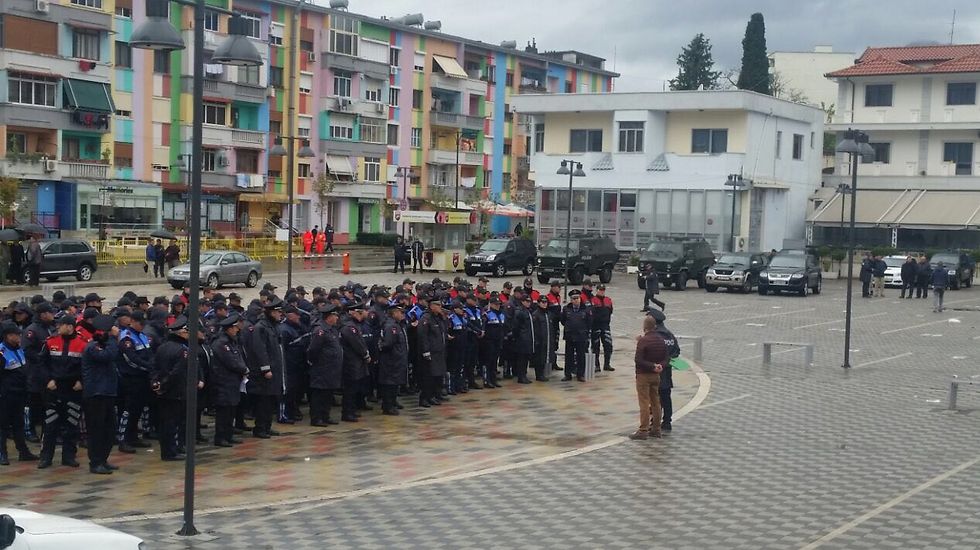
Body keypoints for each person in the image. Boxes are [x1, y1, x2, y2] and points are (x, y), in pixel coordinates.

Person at [37, 315, 86, 469]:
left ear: (70, 326)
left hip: (73, 390)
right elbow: (41, 364)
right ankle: (46, 457)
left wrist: (81, 381)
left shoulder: (82, 344)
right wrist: (47, 380)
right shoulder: (50, 342)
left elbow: (87, 366)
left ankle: (69, 456)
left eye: (62, 325)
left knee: (72, 424)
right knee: (50, 425)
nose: (58, 327)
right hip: (54, 389)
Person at [80, 315, 119, 474]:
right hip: (96, 393)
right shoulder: (93, 347)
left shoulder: (105, 345)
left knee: (109, 430)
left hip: (107, 392)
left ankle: (103, 459)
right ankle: (95, 462)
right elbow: (108, 356)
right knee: (96, 430)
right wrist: (112, 338)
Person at [152, 317, 192, 461]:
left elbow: (155, 367)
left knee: (165, 422)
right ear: (181, 334)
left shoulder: (163, 346)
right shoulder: (182, 350)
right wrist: (165, 384)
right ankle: (171, 451)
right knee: (173, 423)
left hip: (163, 391)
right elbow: (177, 372)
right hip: (175, 391)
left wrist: (157, 384)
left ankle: (167, 450)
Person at [244, 299, 285, 438]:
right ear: (272, 312)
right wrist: (265, 368)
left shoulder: (272, 326)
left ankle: (267, 426)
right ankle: (260, 427)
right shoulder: (260, 327)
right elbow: (259, 350)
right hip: (264, 373)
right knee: (264, 401)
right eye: (279, 312)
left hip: (275, 370)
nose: (281, 314)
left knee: (271, 400)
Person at [0, 322, 38, 465]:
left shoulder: (19, 349)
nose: (19, 337)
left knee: (18, 423)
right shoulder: (2, 351)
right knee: (3, 425)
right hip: (6, 395)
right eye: (17, 335)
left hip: (20, 393)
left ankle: (23, 451)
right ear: (9, 336)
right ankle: (2, 453)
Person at [116, 311, 155, 453]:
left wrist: (152, 366)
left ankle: (133, 437)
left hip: (143, 377)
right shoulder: (126, 337)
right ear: (132, 321)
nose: (142, 326)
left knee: (138, 408)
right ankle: (123, 439)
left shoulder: (142, 336)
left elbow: (149, 354)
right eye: (140, 323)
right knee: (128, 410)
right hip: (131, 378)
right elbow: (131, 359)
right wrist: (148, 367)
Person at [209, 314, 248, 447]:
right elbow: (231, 362)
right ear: (229, 329)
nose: (237, 330)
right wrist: (243, 369)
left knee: (232, 409)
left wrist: (243, 368)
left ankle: (228, 434)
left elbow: (238, 357)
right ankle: (221, 437)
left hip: (232, 381)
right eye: (235, 328)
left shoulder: (232, 341)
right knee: (224, 411)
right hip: (223, 381)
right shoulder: (221, 343)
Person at [629, 316, 667, 441]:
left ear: (645, 327)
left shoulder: (644, 341)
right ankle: (656, 429)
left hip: (643, 375)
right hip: (656, 375)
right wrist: (660, 366)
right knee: (656, 402)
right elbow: (667, 357)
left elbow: (638, 360)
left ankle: (643, 430)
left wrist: (652, 366)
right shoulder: (661, 340)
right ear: (655, 326)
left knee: (644, 402)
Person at [307, 304, 342, 426]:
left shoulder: (332, 329)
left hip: (332, 369)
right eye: (335, 315)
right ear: (329, 317)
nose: (337, 318)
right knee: (319, 394)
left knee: (328, 393)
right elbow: (313, 350)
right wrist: (316, 362)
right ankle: (317, 418)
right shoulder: (320, 330)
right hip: (322, 368)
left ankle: (325, 415)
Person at [648, 309, 680, 432]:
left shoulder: (655, 335)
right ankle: (667, 422)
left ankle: (654, 422)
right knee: (666, 396)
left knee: (655, 398)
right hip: (667, 372)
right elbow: (677, 352)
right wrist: (668, 362)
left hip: (656, 371)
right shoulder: (669, 335)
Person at [339, 302, 371, 421]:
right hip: (351, 362)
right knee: (350, 390)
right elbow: (357, 344)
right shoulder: (349, 327)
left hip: (355, 362)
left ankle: (351, 410)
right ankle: (347, 412)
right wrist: (365, 354)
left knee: (354, 388)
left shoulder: (353, 325)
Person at [378, 304, 409, 415]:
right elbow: (387, 344)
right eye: (401, 313)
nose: (403, 315)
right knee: (390, 384)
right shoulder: (391, 326)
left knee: (395, 383)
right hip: (391, 360)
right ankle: (388, 406)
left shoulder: (397, 325)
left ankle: (392, 402)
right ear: (394, 313)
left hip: (397, 359)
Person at [417, 299, 447, 407]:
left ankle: (434, 395)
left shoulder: (438, 318)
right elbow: (422, 336)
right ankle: (424, 398)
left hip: (439, 351)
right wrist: (425, 351)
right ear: (431, 306)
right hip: (431, 352)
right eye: (437, 305)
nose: (440, 306)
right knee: (428, 376)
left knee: (438, 375)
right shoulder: (426, 318)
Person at [560, 289, 592, 382]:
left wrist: (585, 332)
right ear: (571, 300)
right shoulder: (566, 309)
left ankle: (580, 374)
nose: (576, 300)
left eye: (577, 298)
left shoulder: (586, 309)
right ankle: (567, 374)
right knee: (568, 356)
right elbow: (563, 320)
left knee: (581, 356)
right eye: (574, 298)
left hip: (581, 336)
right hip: (569, 336)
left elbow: (589, 322)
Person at [510, 294, 535, 384]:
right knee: (522, 359)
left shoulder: (528, 311)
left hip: (527, 338)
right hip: (522, 339)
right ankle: (521, 376)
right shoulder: (519, 312)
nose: (529, 303)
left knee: (525, 358)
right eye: (527, 301)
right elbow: (516, 326)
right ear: (522, 302)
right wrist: (518, 336)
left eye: (529, 302)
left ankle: (523, 375)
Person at [590, 284, 614, 373]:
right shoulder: (593, 300)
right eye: (600, 290)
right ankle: (596, 365)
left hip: (605, 325)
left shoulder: (608, 300)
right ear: (597, 290)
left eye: (603, 290)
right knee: (595, 346)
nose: (602, 291)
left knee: (608, 345)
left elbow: (610, 311)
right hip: (595, 326)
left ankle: (607, 364)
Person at [531, 295, 551, 382]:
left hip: (546, 339)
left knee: (544, 357)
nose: (544, 304)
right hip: (539, 340)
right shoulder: (536, 314)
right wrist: (536, 340)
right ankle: (539, 374)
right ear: (538, 303)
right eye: (542, 302)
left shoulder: (547, 314)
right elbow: (534, 329)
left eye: (546, 302)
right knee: (538, 358)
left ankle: (542, 373)